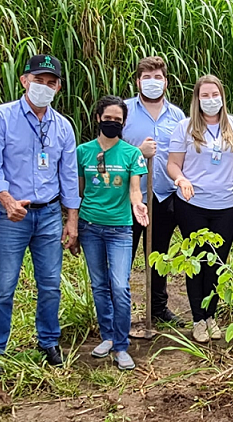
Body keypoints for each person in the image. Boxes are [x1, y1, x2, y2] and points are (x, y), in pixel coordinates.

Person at [0, 54, 80, 377]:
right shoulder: (1, 118)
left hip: (49, 213)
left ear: (59, 87)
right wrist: (7, 200)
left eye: (51, 83)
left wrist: (71, 218)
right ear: (24, 81)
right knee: (4, 285)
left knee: (50, 283)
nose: (44, 87)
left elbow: (68, 175)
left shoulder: (62, 126)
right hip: (11, 215)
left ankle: (48, 340)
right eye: (39, 81)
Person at [167, 74, 233, 343]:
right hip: (192, 204)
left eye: (214, 95)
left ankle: (211, 316)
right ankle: (197, 318)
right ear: (197, 99)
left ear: (222, 97)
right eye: (204, 95)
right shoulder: (184, 128)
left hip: (227, 207)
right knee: (196, 262)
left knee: (217, 263)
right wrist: (180, 179)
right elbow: (172, 164)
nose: (210, 100)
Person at [75, 95, 149, 370]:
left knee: (120, 285)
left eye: (117, 121)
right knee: (99, 285)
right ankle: (106, 335)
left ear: (123, 124)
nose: (112, 124)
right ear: (98, 119)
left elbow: (134, 189)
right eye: (108, 119)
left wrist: (138, 206)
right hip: (90, 226)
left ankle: (121, 345)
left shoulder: (131, 154)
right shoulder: (83, 152)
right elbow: (81, 190)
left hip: (120, 228)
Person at [122, 56, 186, 326]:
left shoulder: (178, 116)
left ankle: (159, 308)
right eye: (146, 77)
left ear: (166, 82)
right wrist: (138, 153)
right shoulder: (124, 110)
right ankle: (120, 312)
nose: (152, 82)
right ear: (138, 82)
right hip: (129, 197)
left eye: (157, 77)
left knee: (159, 254)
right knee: (124, 254)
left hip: (163, 195)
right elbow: (110, 152)